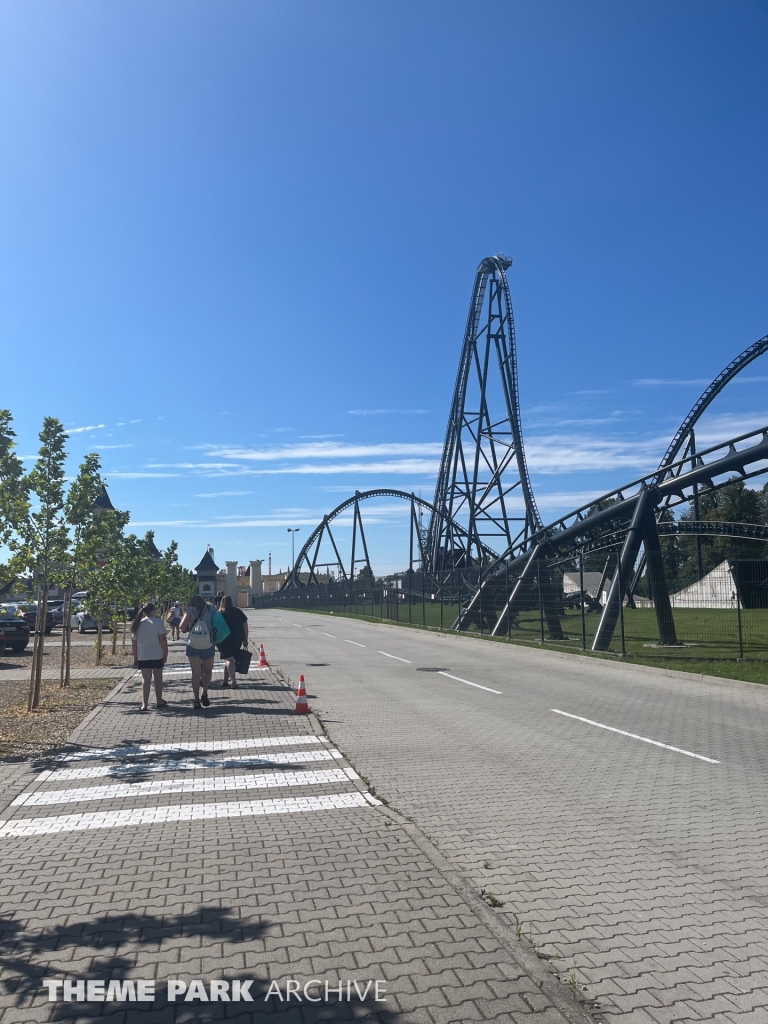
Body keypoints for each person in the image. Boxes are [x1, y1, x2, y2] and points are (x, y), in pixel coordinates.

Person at [179, 594, 230, 709]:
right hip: (208, 643)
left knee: (195, 673)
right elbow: (218, 622)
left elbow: (182, 626)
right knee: (207, 670)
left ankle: (196, 700)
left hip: (193, 644)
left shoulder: (190, 610)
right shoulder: (211, 609)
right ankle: (205, 693)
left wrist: (188, 629)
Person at [131, 602, 169, 712]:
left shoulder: (138, 623)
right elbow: (162, 639)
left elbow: (134, 642)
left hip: (143, 655)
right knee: (158, 678)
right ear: (152, 611)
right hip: (157, 654)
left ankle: (144, 704)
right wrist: (165, 653)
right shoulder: (158, 622)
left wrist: (135, 657)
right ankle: (159, 701)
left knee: (145, 679)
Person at [216, 595, 249, 687]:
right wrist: (245, 639)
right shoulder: (238, 612)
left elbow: (215, 627)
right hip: (236, 639)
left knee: (229, 659)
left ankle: (233, 681)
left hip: (223, 640)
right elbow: (245, 626)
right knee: (229, 659)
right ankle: (225, 681)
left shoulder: (219, 614)